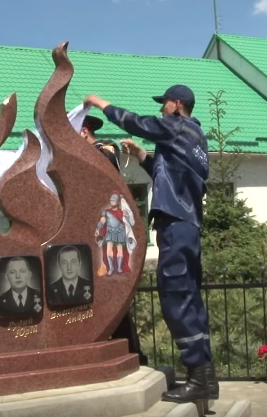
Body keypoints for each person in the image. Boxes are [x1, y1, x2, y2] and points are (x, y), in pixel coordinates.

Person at [83, 85, 218, 406]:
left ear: (176, 105)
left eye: (164, 105)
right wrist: (142, 156)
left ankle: (198, 377)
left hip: (175, 222)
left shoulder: (178, 125)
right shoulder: (196, 138)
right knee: (190, 297)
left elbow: (137, 122)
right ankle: (207, 378)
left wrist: (101, 103)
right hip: (188, 224)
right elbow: (171, 172)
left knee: (176, 296)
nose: (161, 110)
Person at [79, 115, 149, 367]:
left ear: (84, 131)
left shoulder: (103, 152)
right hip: (89, 239)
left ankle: (134, 354)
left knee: (112, 298)